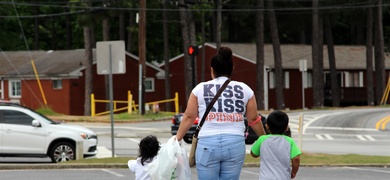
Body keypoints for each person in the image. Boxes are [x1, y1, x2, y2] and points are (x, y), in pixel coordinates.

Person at [176, 47, 266, 180]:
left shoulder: (199, 89)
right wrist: (264, 139)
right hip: (235, 142)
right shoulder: (245, 89)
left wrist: (177, 138)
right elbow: (253, 119)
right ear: (232, 69)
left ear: (212, 70)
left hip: (207, 143)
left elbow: (190, 116)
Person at [250, 110, 301, 180]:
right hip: (283, 177)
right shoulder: (289, 141)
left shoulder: (262, 140)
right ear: (286, 128)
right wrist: (294, 171)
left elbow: (253, 154)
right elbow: (296, 158)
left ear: (267, 127)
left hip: (265, 178)